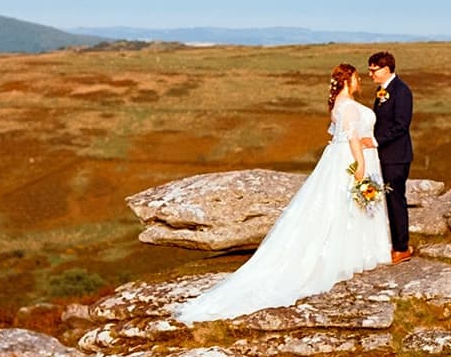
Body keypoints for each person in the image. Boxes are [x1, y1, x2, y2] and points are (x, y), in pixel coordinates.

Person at [171, 63, 393, 324]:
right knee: (349, 204)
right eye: (356, 77)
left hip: (339, 156)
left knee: (344, 205)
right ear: (347, 80)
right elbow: (353, 138)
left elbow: (340, 136)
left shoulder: (338, 105)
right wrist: (360, 165)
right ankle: (354, 253)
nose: (360, 82)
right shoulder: (349, 106)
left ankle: (351, 251)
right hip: (352, 158)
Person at [367, 51, 414, 264]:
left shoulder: (401, 91)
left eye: (373, 70)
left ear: (386, 69)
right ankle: (393, 243)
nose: (370, 74)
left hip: (396, 157)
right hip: (384, 156)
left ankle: (402, 248)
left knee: (395, 200)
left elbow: (401, 125)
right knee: (387, 200)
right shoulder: (382, 90)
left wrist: (376, 141)